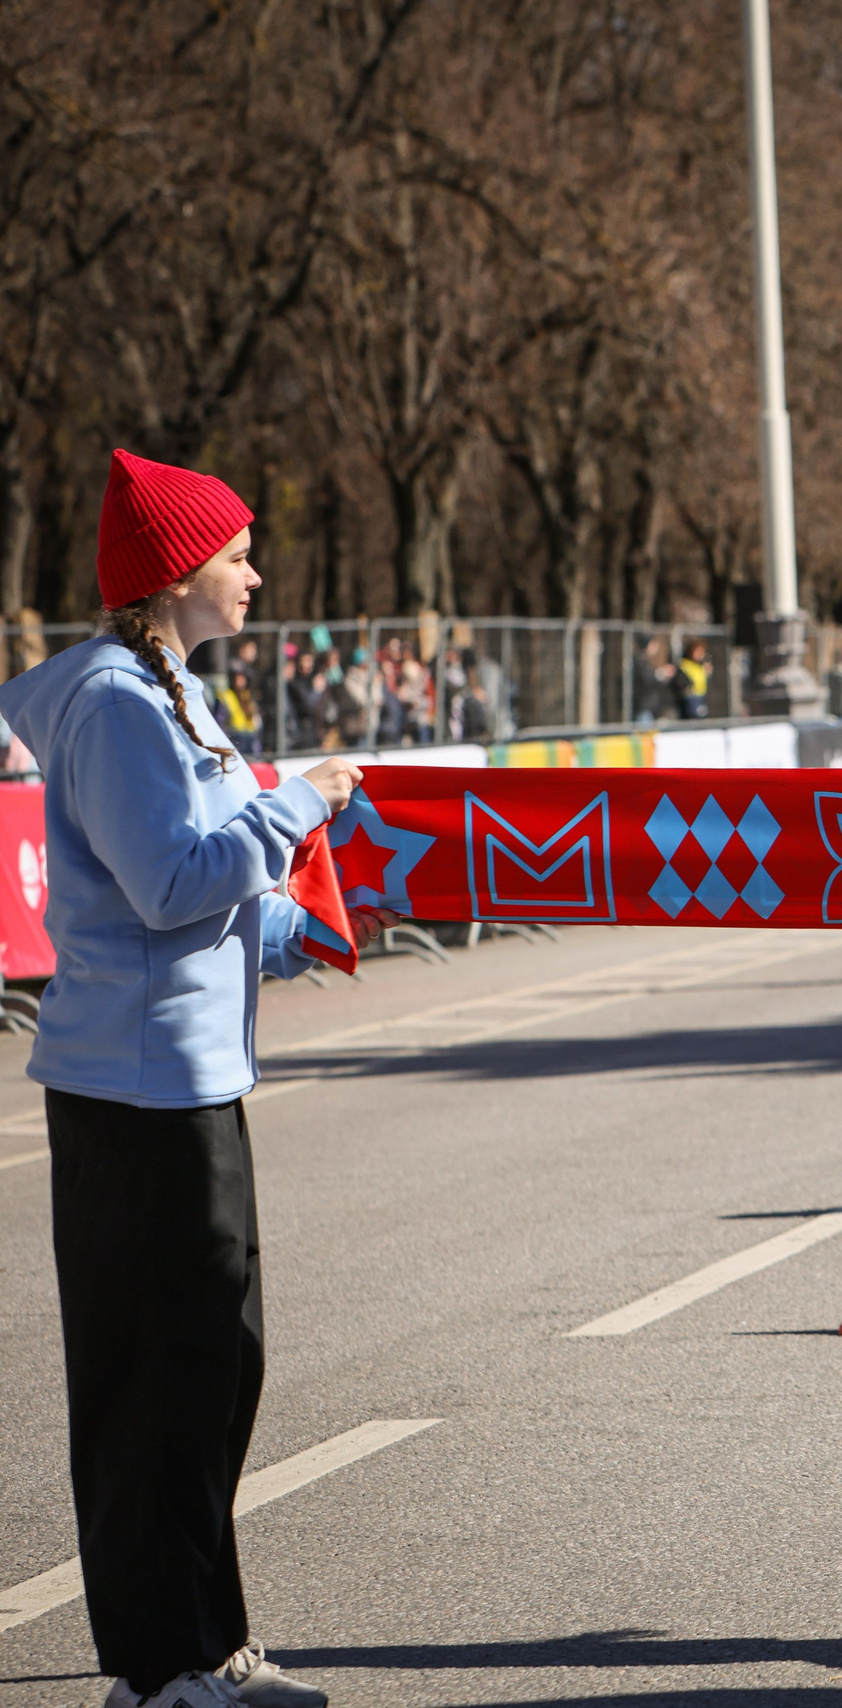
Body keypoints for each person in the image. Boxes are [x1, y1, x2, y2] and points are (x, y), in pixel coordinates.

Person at [0, 451, 390, 1708]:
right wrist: (296, 806)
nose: (255, 572)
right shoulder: (117, 702)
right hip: (134, 1088)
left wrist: (293, 929)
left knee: (218, 1368)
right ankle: (157, 1667)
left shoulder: (170, 687)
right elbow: (169, 882)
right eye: (236, 553)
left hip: (189, 1075)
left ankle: (211, 1646)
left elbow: (191, 891)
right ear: (175, 572)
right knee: (156, 1386)